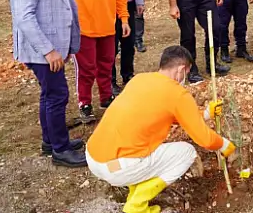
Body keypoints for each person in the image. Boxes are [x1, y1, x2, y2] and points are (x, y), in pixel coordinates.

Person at [85, 46, 236, 213]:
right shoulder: (177, 94)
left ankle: (134, 191)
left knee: (140, 146)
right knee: (187, 152)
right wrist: (223, 144)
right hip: (119, 168)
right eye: (186, 72)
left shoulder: (139, 79)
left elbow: (170, 114)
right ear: (180, 70)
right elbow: (204, 139)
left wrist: (206, 113)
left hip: (95, 158)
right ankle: (137, 205)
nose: (185, 78)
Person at [8, 0, 86, 167]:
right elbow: (25, 17)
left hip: (53, 48)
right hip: (42, 52)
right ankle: (60, 150)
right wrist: (48, 50)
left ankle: (50, 142)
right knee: (57, 96)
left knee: (49, 95)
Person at [62, 0, 130, 122]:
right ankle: (85, 103)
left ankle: (106, 97)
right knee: (86, 68)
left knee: (106, 64)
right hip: (83, 27)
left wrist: (124, 19)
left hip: (108, 26)